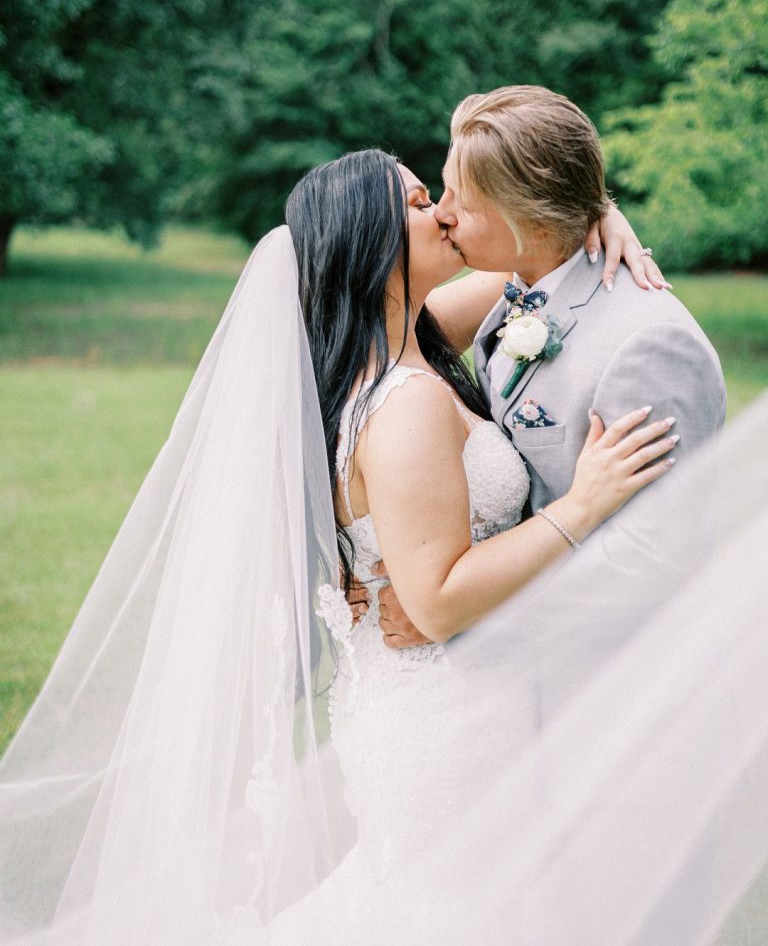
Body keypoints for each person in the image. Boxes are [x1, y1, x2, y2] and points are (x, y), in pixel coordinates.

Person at [0, 143, 679, 946]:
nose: (447, 212)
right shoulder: (409, 401)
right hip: (447, 717)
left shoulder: (403, 346)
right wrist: (585, 504)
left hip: (414, 703)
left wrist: (601, 213)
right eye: (423, 203)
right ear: (373, 244)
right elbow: (433, 602)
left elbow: (531, 265)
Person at [364, 86, 726, 653]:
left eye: (465, 201)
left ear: (531, 223)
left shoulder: (649, 343)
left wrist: (467, 620)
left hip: (601, 683)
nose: (443, 213)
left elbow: (653, 557)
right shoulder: (514, 290)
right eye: (444, 188)